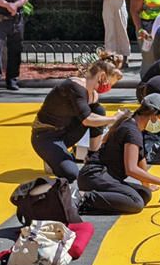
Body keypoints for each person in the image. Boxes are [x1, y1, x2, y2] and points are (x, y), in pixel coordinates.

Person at [77, 93, 160, 215]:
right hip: (95, 176)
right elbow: (131, 169)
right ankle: (82, 197)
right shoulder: (132, 131)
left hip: (101, 176)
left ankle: (93, 200)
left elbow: (140, 159)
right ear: (153, 115)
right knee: (136, 202)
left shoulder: (133, 125)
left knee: (144, 194)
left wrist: (147, 186)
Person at [30, 55, 124, 183]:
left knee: (98, 110)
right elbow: (87, 120)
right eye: (109, 83)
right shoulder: (75, 87)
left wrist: (110, 120)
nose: (108, 88)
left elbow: (93, 117)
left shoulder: (92, 93)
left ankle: (92, 157)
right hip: (45, 136)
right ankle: (51, 157)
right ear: (101, 76)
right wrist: (114, 119)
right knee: (72, 174)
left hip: (65, 132)